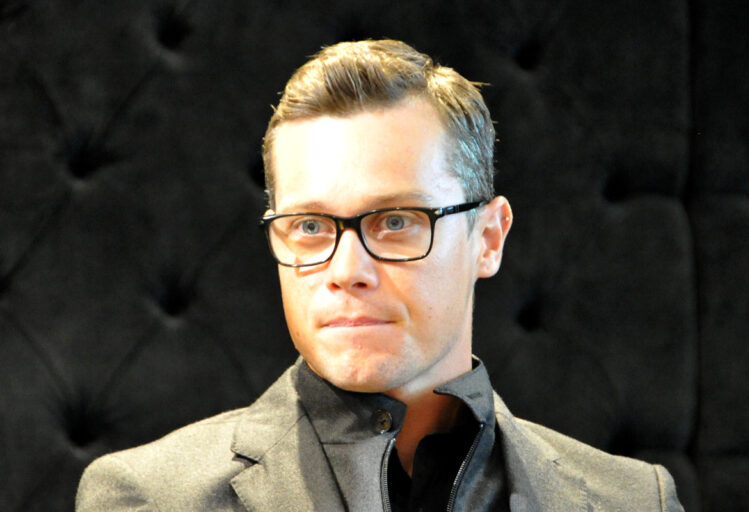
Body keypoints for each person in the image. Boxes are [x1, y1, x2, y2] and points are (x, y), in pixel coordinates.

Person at [76, 39, 684, 511]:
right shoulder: (147, 498)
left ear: (488, 239)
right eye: (310, 225)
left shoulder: (636, 501)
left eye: (396, 221)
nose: (346, 271)